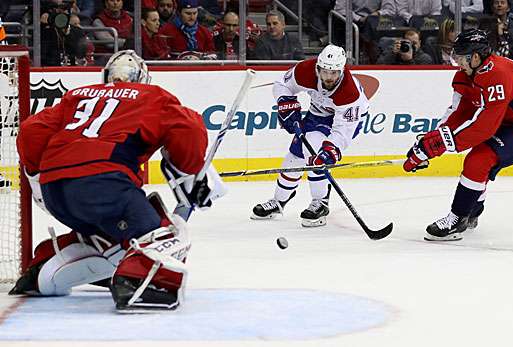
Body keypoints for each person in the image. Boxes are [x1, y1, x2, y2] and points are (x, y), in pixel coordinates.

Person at [9, 50, 225, 311]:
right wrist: (190, 173)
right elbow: (188, 127)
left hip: (56, 190)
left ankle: (43, 269)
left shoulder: (77, 95)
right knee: (164, 235)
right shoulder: (153, 96)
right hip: (104, 185)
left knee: (110, 236)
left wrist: (38, 181)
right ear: (143, 78)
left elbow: (32, 132)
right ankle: (138, 283)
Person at [402, 29, 513, 241]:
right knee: (479, 160)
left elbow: (484, 127)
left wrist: (439, 145)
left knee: (480, 159)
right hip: (509, 121)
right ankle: (472, 210)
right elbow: (459, 113)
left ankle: (457, 219)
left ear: (476, 56)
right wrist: (429, 143)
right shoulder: (466, 73)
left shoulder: (498, 75)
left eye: (460, 56)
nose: (456, 61)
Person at [251, 44, 370, 227]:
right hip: (316, 114)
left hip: (346, 122)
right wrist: (286, 103)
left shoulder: (349, 94)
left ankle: (320, 202)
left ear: (342, 70)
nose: (328, 78)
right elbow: (283, 84)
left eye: (334, 73)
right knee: (294, 157)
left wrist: (330, 149)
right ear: (318, 67)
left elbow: (343, 131)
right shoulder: (305, 70)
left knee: (315, 153)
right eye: (324, 72)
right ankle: (279, 201)